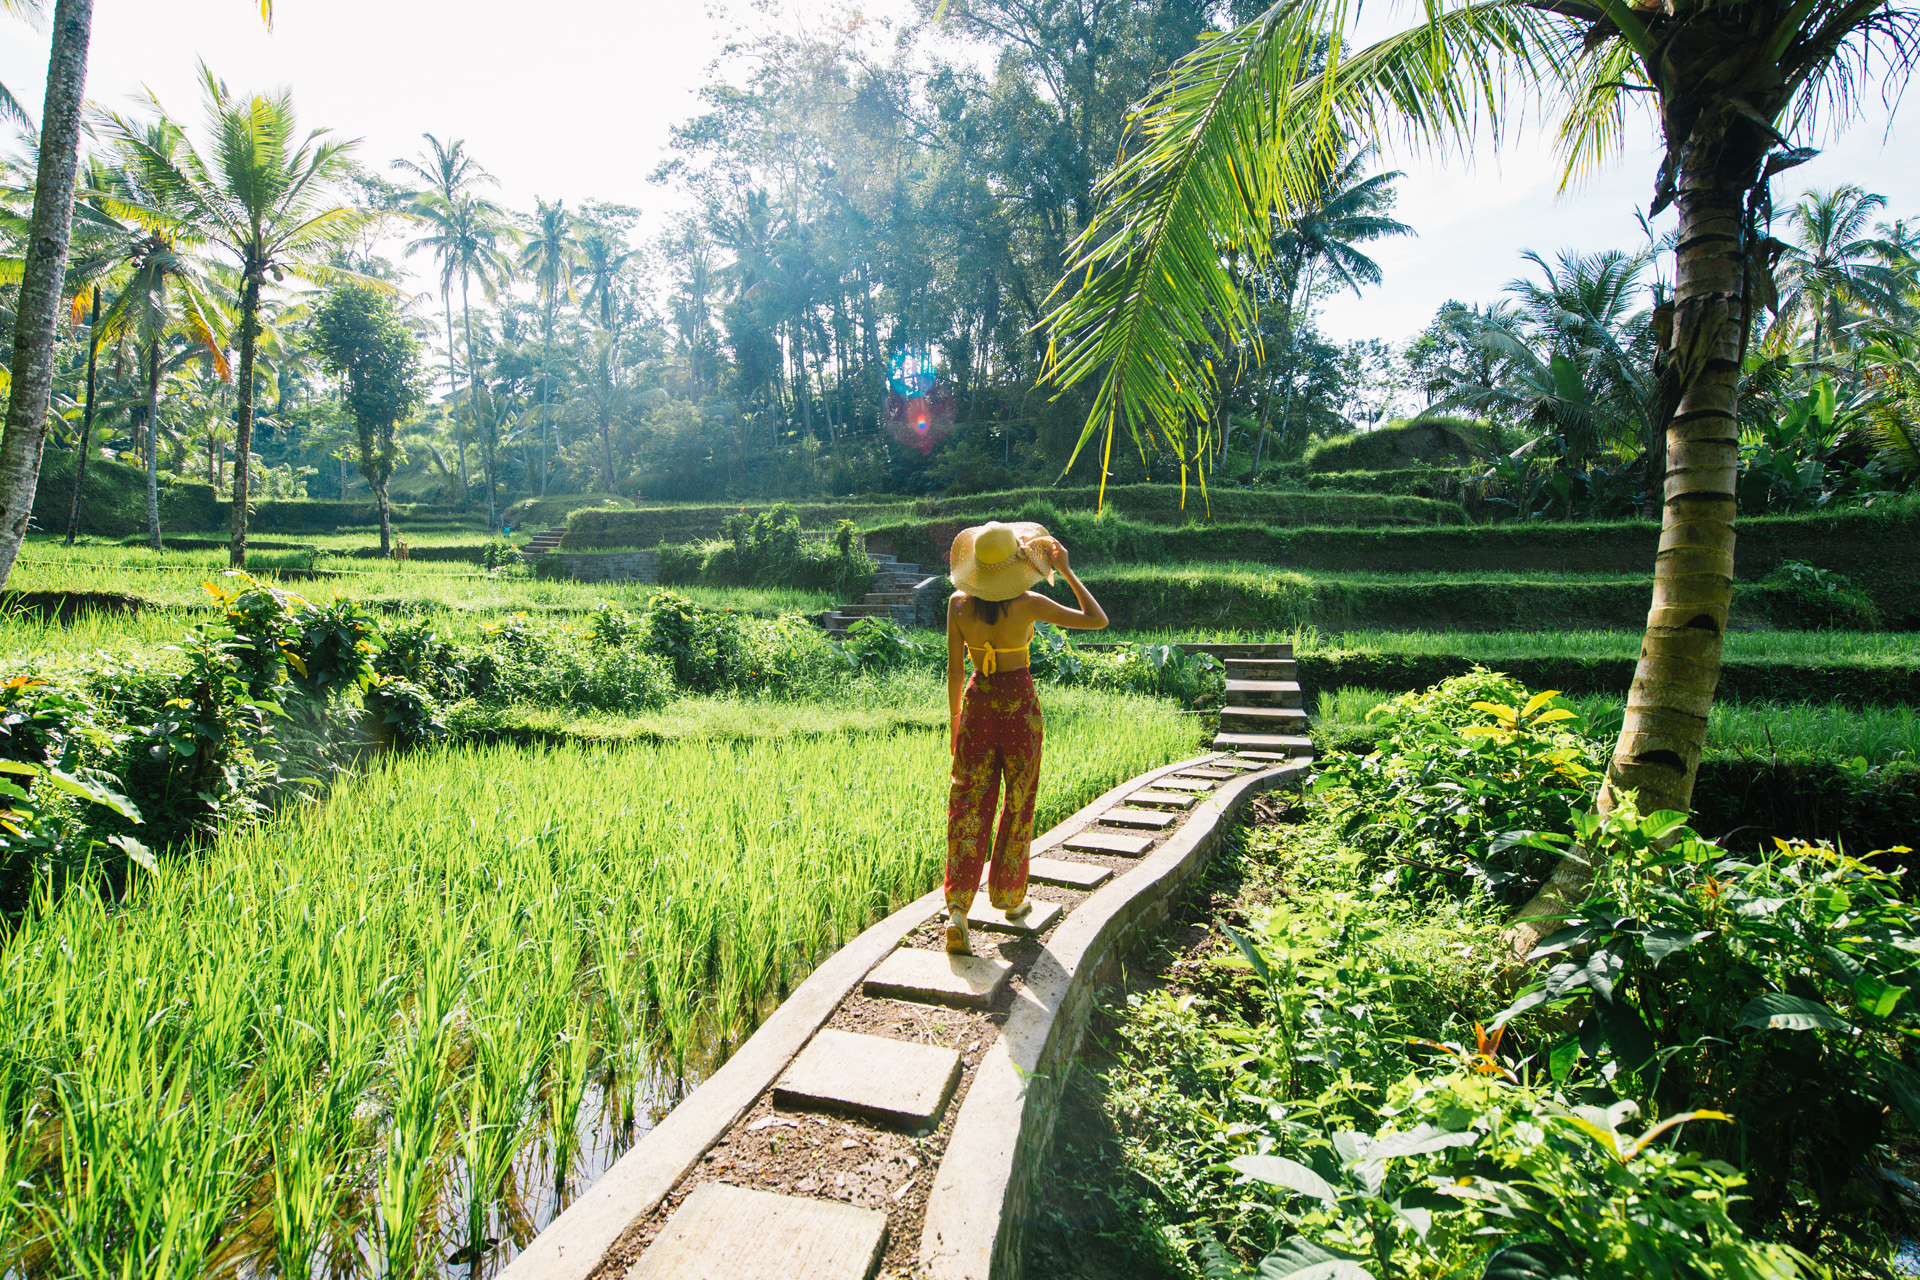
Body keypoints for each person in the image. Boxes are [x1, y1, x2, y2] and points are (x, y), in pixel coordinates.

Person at [944, 520, 1108, 955]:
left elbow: (956, 670)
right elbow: (1098, 620)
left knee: (968, 802)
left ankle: (958, 907)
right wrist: (1068, 571)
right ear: (1013, 567)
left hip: (978, 703)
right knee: (1018, 799)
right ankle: (1009, 898)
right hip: (1019, 706)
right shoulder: (1030, 603)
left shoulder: (958, 605)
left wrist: (957, 719)